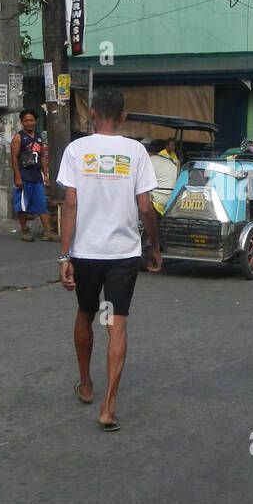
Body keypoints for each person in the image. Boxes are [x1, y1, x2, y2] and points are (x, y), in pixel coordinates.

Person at [57, 87, 160, 432]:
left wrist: (64, 255)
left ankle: (86, 384)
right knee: (117, 323)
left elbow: (69, 205)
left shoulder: (76, 150)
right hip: (122, 254)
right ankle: (108, 407)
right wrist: (155, 247)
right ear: (124, 117)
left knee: (85, 313)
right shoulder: (136, 152)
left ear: (92, 115)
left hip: (85, 252)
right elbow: (145, 207)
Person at [11, 109, 57, 242]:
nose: (29, 123)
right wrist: (18, 177)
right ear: (22, 122)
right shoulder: (18, 137)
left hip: (37, 177)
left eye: (31, 120)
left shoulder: (38, 136)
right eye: (26, 120)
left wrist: (45, 174)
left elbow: (42, 155)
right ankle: (24, 229)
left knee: (41, 203)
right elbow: (14, 158)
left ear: (35, 121)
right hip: (24, 177)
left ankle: (48, 232)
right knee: (23, 205)